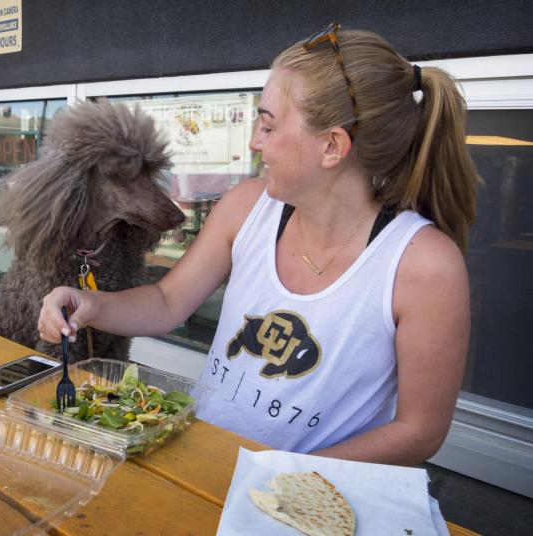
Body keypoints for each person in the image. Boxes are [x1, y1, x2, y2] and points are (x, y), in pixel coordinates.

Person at [37, 24, 479, 466]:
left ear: (332, 146)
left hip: (305, 500)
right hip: (201, 464)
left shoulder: (424, 266)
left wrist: (278, 474)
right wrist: (90, 304)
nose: (254, 141)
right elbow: (166, 301)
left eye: (267, 125)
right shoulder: (246, 207)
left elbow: (419, 432)